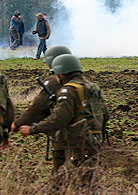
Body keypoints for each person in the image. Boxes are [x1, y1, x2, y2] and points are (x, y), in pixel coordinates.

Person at [19, 54, 108, 182]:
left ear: (62, 74)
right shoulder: (93, 88)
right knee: (89, 181)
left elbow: (59, 119)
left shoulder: (69, 91)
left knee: (66, 182)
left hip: (76, 143)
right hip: (95, 141)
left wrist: (32, 129)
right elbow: (105, 115)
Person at [12, 46, 72, 172]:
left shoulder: (54, 81)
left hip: (66, 135)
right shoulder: (83, 82)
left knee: (61, 175)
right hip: (90, 135)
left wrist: (18, 124)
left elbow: (37, 109)